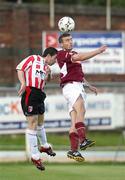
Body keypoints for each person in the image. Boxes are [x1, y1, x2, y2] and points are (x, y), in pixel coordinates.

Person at [57, 33, 107, 162]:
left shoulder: (73, 53)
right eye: (67, 40)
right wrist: (98, 51)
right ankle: (83, 140)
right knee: (81, 109)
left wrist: (89, 85)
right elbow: (81, 57)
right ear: (61, 44)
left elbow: (78, 73)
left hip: (77, 86)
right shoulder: (62, 54)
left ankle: (73, 151)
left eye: (71, 39)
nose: (70, 42)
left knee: (74, 121)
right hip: (71, 86)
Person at [16, 47, 58, 171]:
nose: (55, 61)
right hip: (30, 92)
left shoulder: (46, 67)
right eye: (54, 58)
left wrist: (49, 74)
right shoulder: (34, 58)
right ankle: (35, 156)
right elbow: (20, 68)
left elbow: (46, 81)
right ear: (49, 55)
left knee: (40, 123)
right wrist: (23, 83)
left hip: (40, 93)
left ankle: (44, 146)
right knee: (33, 123)